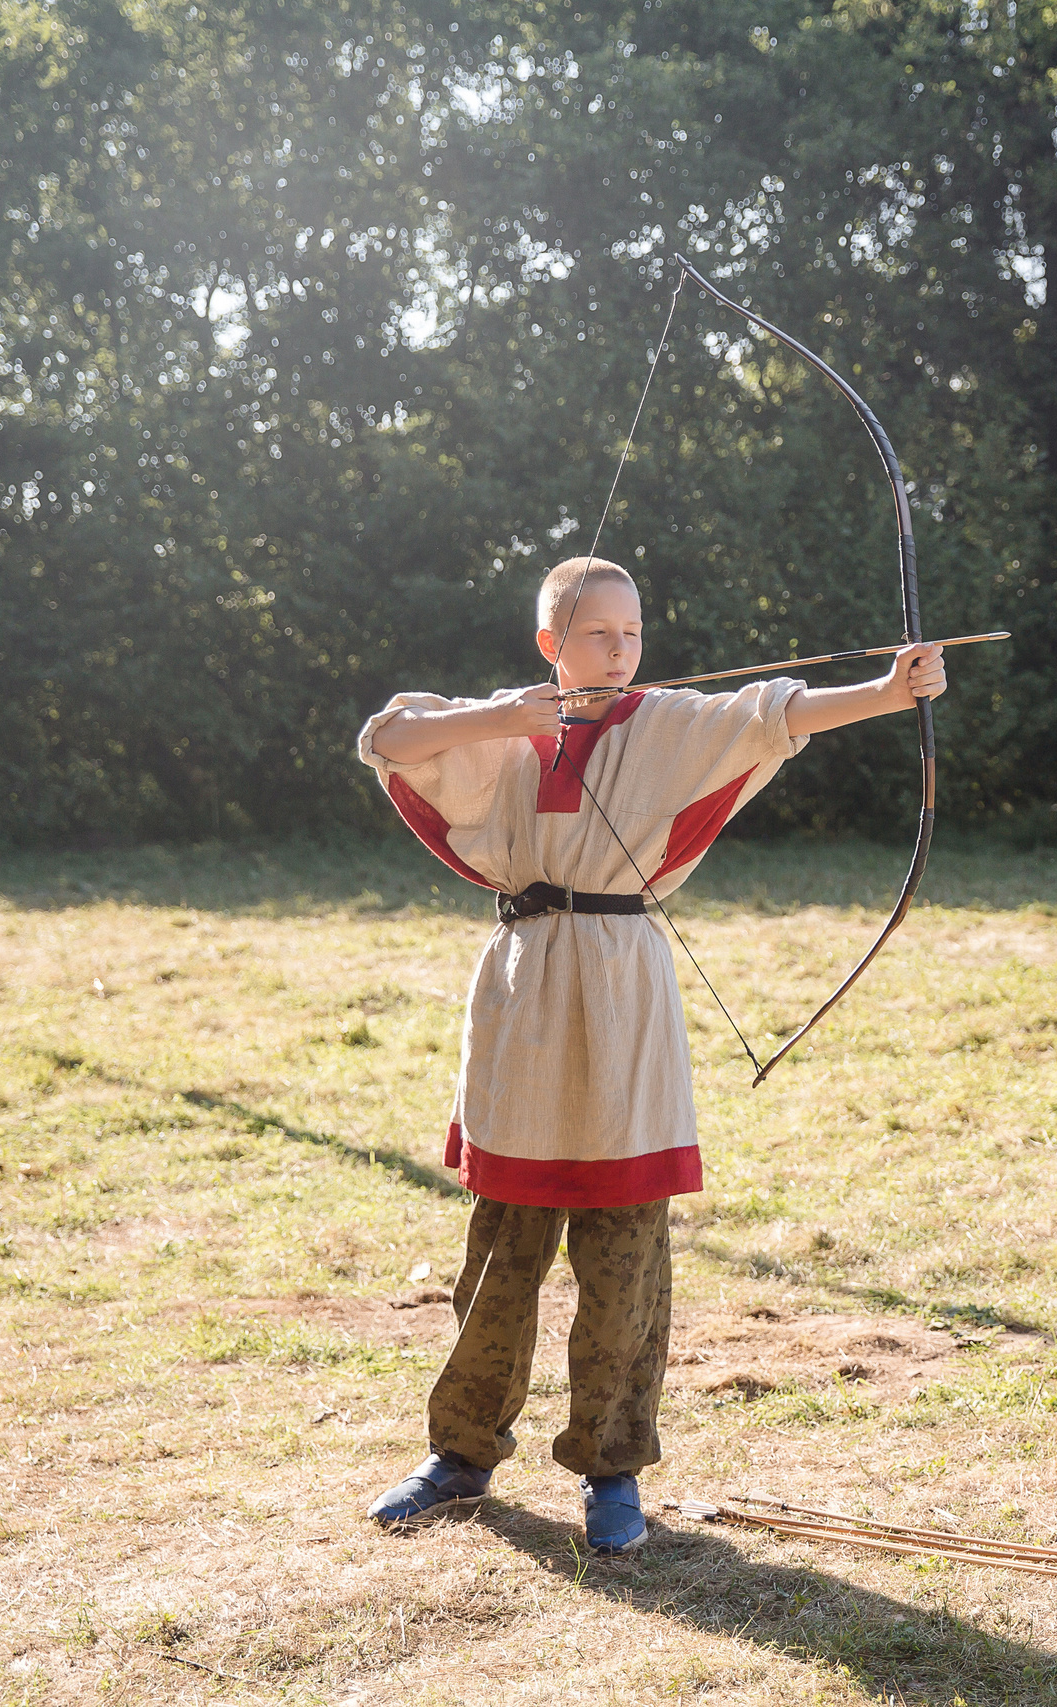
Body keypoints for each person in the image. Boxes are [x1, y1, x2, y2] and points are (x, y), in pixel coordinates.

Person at [355, 556, 946, 1554]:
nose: (620, 652)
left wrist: (890, 693)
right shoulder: (507, 729)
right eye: (598, 636)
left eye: (632, 635)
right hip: (525, 994)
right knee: (502, 1248)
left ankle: (611, 1467)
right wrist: (502, 720)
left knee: (624, 1251)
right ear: (552, 643)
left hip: (624, 996)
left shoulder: (666, 725)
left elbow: (775, 715)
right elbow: (388, 736)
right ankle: (459, 1455)